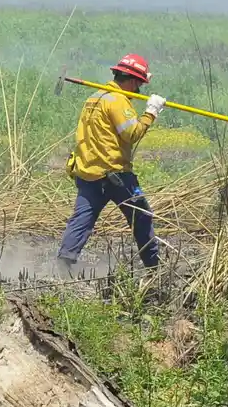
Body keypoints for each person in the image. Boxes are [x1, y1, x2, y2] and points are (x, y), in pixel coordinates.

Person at [57, 53, 166, 272]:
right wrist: (151, 113)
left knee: (81, 221)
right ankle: (154, 268)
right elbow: (132, 134)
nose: (139, 91)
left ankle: (63, 264)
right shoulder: (117, 100)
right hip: (115, 176)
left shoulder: (96, 97)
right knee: (141, 218)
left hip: (88, 173)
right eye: (140, 84)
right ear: (133, 81)